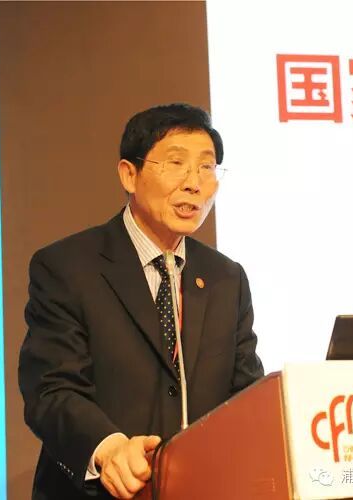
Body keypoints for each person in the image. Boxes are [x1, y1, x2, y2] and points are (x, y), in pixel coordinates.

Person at [18, 103, 264, 500]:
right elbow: (52, 390)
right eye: (176, 164)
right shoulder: (67, 267)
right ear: (129, 175)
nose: (194, 184)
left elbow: (247, 395)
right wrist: (108, 448)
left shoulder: (226, 278)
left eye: (206, 167)